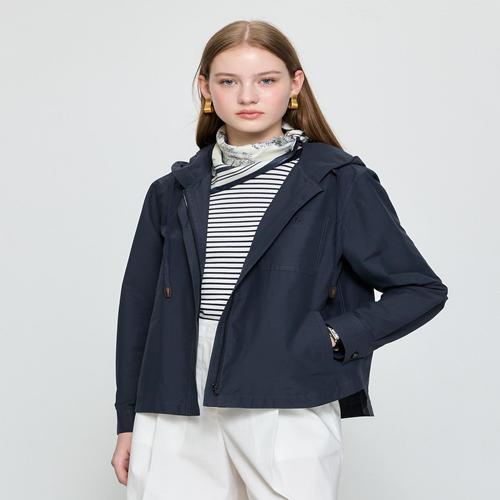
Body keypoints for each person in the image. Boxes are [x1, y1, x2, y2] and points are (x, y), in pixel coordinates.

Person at [111, 19, 448, 500]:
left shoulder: (338, 181)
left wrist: (330, 337)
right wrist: (128, 419)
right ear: (206, 88)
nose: (248, 96)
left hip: (284, 392)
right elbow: (138, 309)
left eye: (266, 80)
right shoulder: (172, 191)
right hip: (176, 398)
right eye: (229, 81)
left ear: (294, 84)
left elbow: (420, 288)